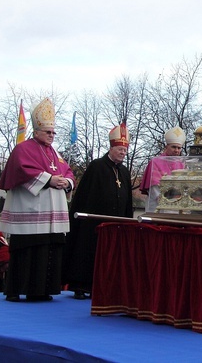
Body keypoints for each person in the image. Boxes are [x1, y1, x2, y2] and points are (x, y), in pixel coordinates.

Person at [0, 98, 74, 302]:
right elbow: (21, 170)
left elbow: (68, 172)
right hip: (30, 210)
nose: (51, 136)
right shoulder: (23, 149)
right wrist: (49, 179)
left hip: (52, 211)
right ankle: (15, 289)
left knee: (49, 250)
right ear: (37, 131)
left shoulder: (55, 153)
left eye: (53, 132)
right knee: (28, 250)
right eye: (48, 132)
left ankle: (41, 290)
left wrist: (66, 182)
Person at [64, 123, 134, 299]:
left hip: (116, 223)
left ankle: (106, 287)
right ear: (111, 148)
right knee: (88, 252)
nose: (122, 153)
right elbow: (85, 196)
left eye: (125, 150)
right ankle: (81, 285)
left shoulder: (124, 172)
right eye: (119, 149)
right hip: (92, 222)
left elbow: (128, 199)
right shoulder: (97, 166)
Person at [140, 126, 186, 212]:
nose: (176, 150)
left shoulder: (181, 164)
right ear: (166, 147)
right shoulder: (155, 162)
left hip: (176, 207)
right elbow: (154, 188)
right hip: (158, 206)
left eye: (179, 148)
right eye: (173, 147)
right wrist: (167, 200)